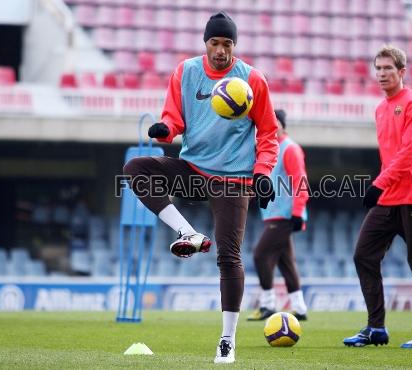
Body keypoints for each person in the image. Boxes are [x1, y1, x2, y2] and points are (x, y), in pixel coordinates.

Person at [123, 11, 278, 364]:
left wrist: (263, 173)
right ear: (205, 43)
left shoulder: (253, 79)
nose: (221, 50)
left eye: (227, 43)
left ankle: (227, 340)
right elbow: (173, 117)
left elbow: (269, 133)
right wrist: (166, 130)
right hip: (193, 168)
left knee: (228, 256)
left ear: (234, 46)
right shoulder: (186, 71)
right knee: (136, 168)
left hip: (233, 179)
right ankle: (188, 233)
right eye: (215, 42)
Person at [343, 45, 412, 349]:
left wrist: (378, 184)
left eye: (388, 68)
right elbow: (390, 156)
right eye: (378, 68)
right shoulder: (381, 108)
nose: (382, 74)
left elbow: (409, 154)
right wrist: (384, 186)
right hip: (389, 198)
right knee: (363, 255)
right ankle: (376, 328)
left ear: (402, 72)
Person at [248, 109, 309, 322]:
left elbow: (300, 182)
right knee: (286, 262)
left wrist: (297, 213)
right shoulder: (269, 150)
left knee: (259, 254)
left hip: (285, 215)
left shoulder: (289, 148)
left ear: (282, 125)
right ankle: (300, 309)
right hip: (274, 214)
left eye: (275, 123)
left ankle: (267, 305)